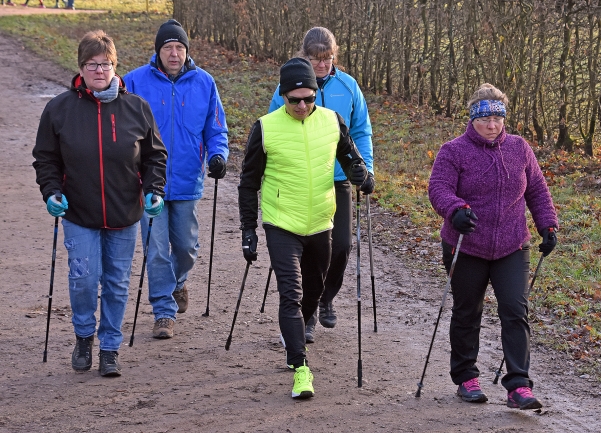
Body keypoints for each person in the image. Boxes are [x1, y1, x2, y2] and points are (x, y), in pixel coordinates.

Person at [32, 30, 167, 377]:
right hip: (77, 210)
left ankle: (110, 348)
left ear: (115, 67)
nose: (99, 70)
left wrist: (154, 189)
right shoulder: (59, 109)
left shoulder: (136, 108)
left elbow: (155, 156)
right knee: (83, 278)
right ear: (80, 67)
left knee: (118, 282)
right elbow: (45, 158)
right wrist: (51, 192)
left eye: (106, 64)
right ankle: (83, 336)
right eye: (92, 64)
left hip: (125, 212)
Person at [239, 58, 368, 399]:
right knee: (291, 294)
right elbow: (248, 183)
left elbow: (354, 162)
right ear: (283, 96)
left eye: (308, 98)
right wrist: (248, 230)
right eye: (294, 99)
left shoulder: (332, 122)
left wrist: (363, 176)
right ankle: (300, 367)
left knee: (313, 291)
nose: (302, 105)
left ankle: (297, 328)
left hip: (320, 222)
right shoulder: (265, 128)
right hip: (281, 223)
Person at [428, 83, 558, 410]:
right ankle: (466, 377)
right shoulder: (453, 150)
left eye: (498, 118)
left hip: (512, 246)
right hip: (466, 244)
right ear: (472, 119)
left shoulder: (519, 148)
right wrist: (455, 210)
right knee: (467, 310)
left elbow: (538, 191)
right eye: (485, 118)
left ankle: (518, 385)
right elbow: (439, 188)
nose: (492, 125)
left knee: (515, 310)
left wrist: (548, 225)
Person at [124, 19, 229, 339]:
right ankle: (163, 312)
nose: (174, 53)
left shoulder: (204, 83)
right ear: (157, 51)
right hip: (146, 182)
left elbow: (216, 128)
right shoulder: (135, 81)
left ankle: (178, 282)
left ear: (187, 51)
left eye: (179, 48)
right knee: (156, 249)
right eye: (168, 47)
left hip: (185, 180)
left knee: (186, 247)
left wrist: (218, 155)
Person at [269, 27, 375, 343]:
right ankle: (309, 310)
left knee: (340, 245)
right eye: (316, 59)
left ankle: (327, 296)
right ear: (305, 57)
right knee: (308, 251)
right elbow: (274, 128)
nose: (322, 66)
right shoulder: (288, 87)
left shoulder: (348, 86)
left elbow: (361, 131)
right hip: (301, 181)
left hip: (339, 179)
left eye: (327, 59)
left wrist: (365, 169)